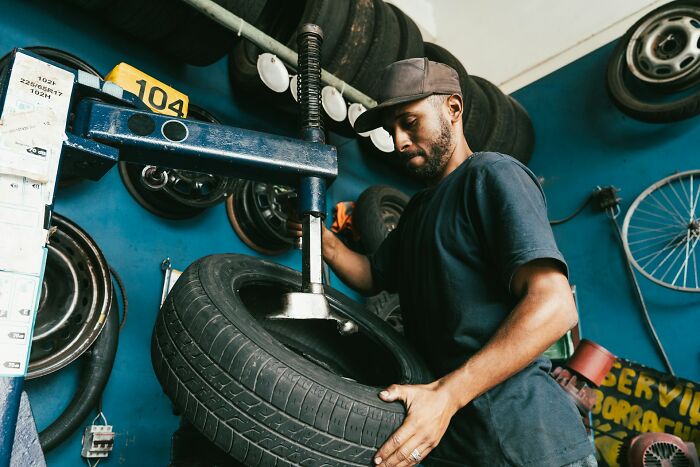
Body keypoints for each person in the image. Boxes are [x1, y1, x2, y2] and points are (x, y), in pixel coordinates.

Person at [291, 58, 596, 467]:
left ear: (453, 109)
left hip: (529, 441)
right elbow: (371, 277)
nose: (398, 141)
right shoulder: (418, 210)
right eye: (391, 130)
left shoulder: (491, 176)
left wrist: (447, 395)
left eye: (409, 122)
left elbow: (555, 307)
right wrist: (325, 243)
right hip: (451, 440)